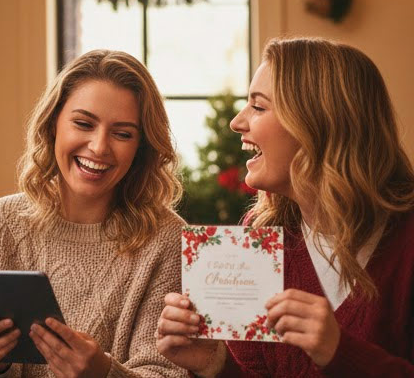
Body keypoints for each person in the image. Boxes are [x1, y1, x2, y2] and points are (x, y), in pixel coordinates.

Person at [0, 50, 187, 377]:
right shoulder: (2, 221)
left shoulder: (165, 238)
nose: (98, 147)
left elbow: (166, 372)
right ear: (54, 124)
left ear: (141, 147)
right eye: (83, 123)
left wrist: (103, 372)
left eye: (123, 133)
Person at [156, 37, 414, 376]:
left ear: (318, 124)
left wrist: (340, 352)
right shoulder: (259, 235)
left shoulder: (405, 242)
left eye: (259, 107)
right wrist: (215, 364)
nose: (237, 122)